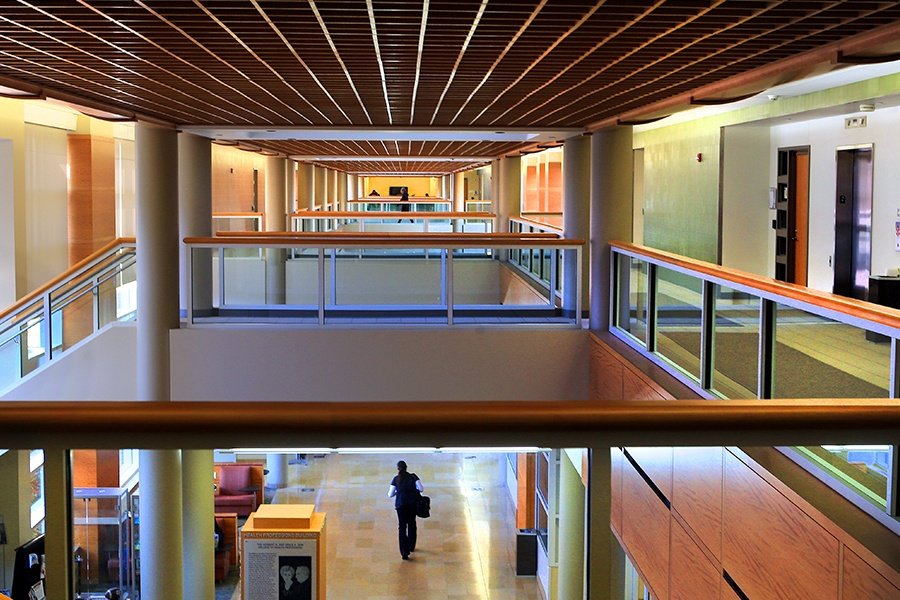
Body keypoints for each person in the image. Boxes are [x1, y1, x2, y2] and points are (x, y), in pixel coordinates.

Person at [388, 460, 424, 560]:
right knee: (412, 523)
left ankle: (404, 552)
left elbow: (390, 494)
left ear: (398, 468)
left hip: (400, 505)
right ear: (406, 467)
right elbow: (421, 489)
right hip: (412, 504)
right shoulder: (413, 476)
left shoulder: (396, 479)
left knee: (402, 527)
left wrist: (398, 492)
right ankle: (411, 546)